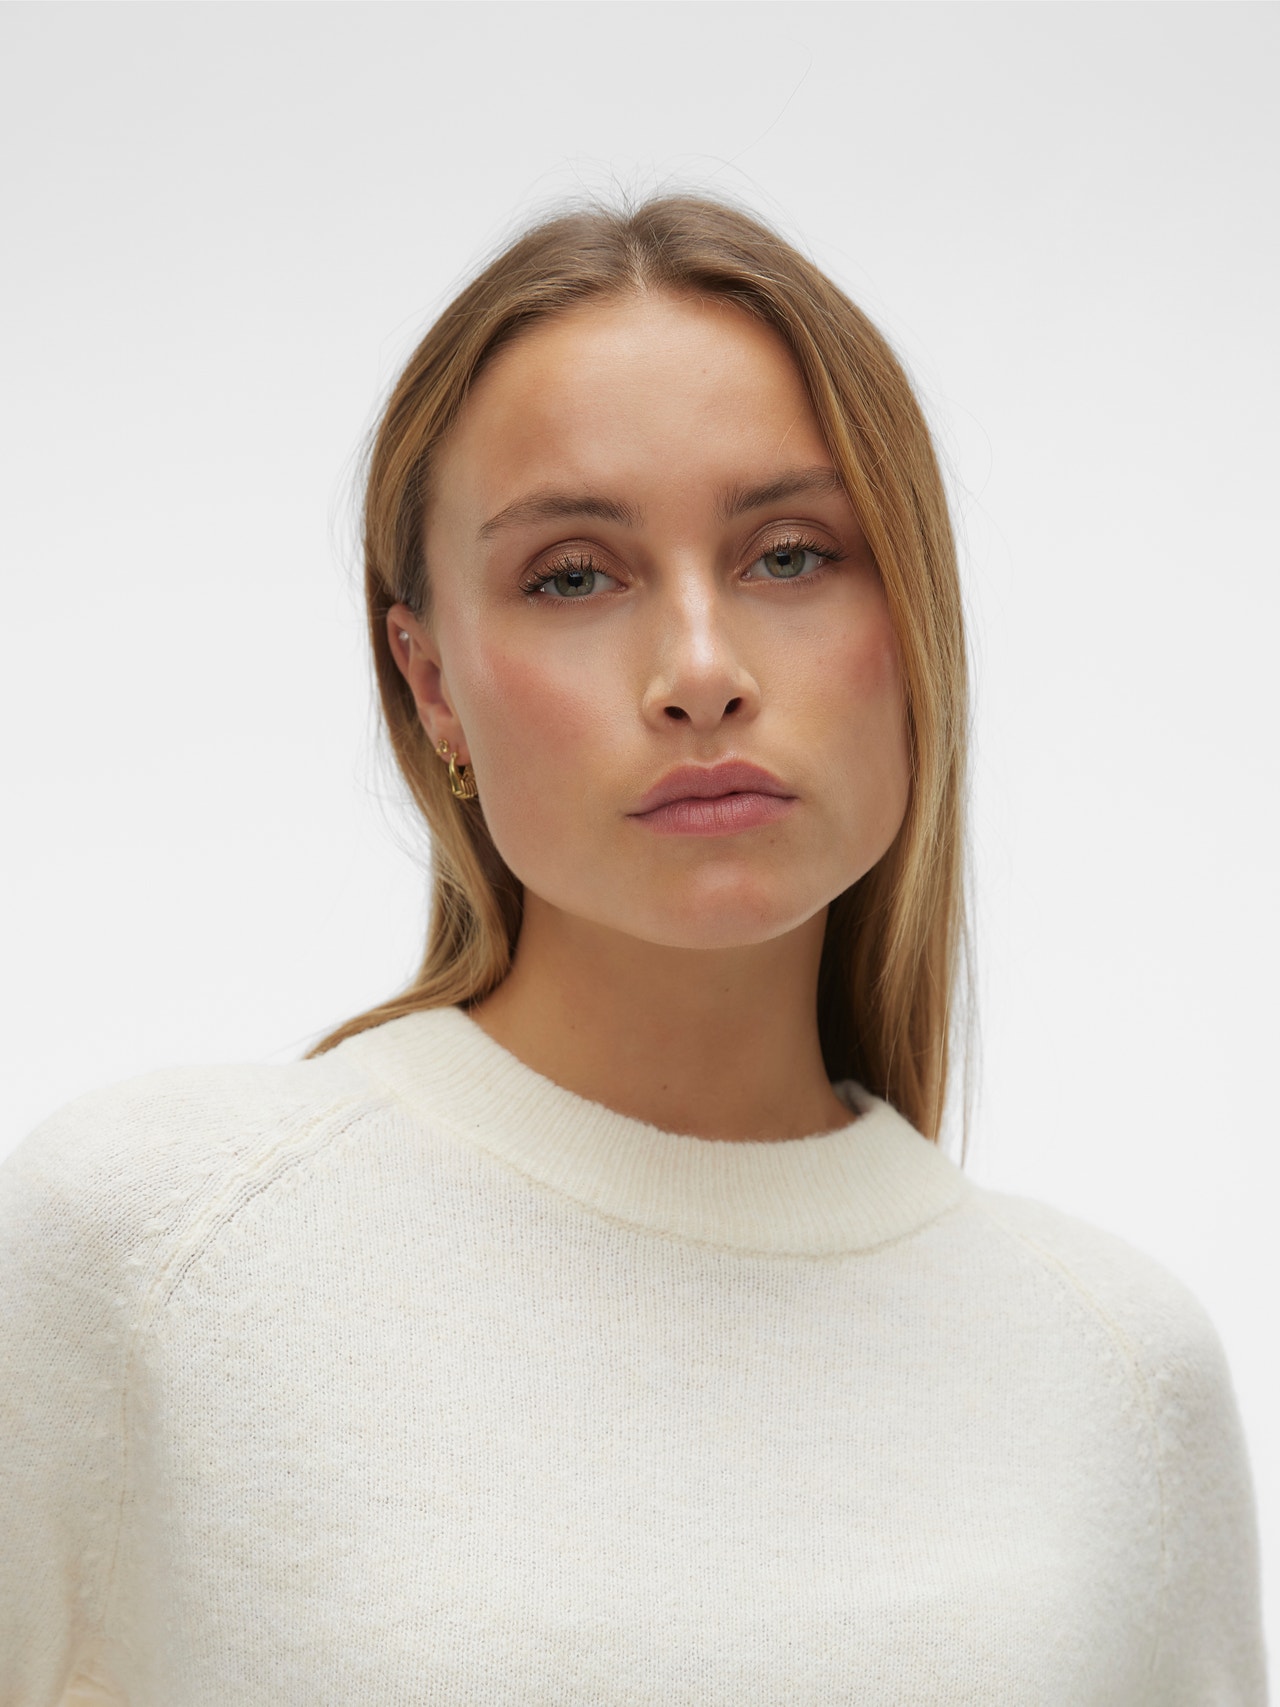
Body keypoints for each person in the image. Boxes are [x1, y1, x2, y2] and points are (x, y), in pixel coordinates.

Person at [0, 193, 1266, 1705]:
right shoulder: (151, 1252)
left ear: (913, 621)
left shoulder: (1118, 1377)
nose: (701, 672)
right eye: (572, 575)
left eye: (789, 555)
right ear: (432, 684)